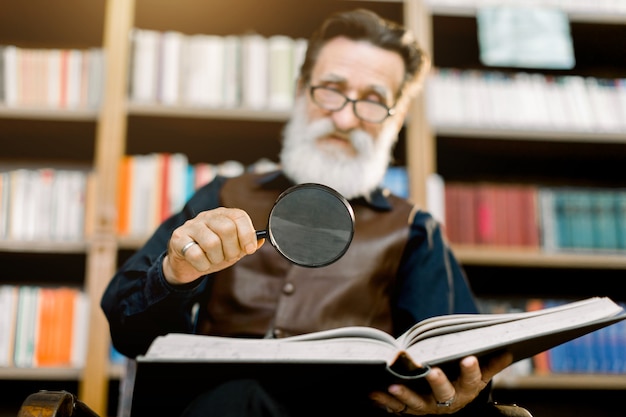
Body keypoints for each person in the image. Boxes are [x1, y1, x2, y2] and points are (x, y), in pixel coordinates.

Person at [101, 8, 513, 417]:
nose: (345, 117)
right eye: (331, 89)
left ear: (397, 118)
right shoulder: (222, 194)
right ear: (301, 90)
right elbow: (126, 329)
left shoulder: (415, 229)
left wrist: (458, 398)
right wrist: (175, 274)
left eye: (372, 101)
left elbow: (463, 362)